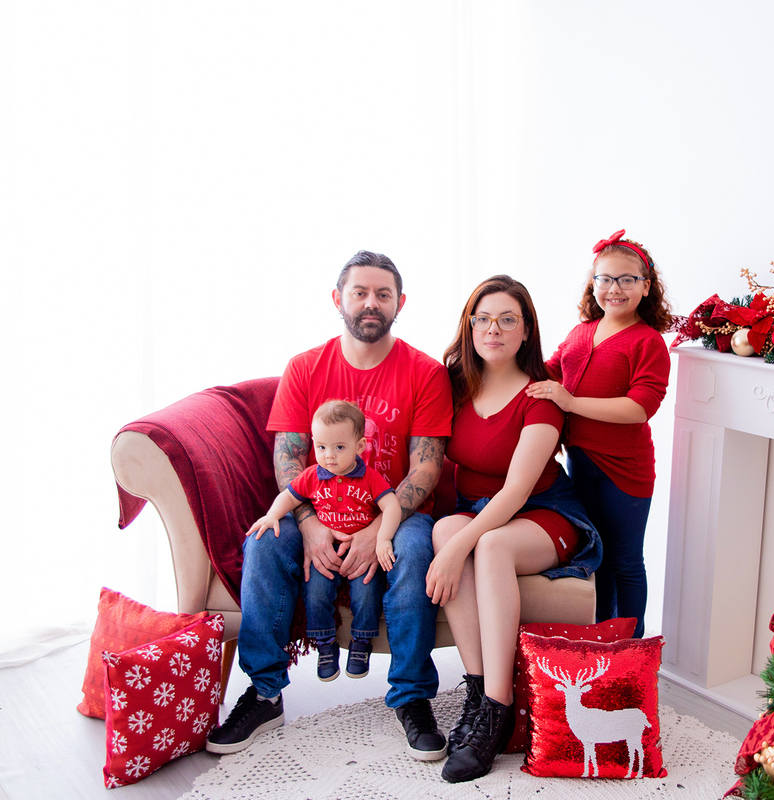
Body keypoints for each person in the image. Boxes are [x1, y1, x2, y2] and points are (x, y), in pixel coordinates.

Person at [207, 251, 454, 762]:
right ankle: (265, 692)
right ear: (338, 299)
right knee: (263, 543)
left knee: (413, 554)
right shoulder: (305, 368)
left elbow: (425, 470)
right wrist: (307, 523)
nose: (371, 303)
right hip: (316, 510)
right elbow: (289, 458)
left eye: (383, 294)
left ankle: (411, 696)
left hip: (397, 515)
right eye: (360, 292)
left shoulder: (426, 372)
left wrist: (378, 530)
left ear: (400, 303)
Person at [432, 275, 600, 783]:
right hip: (477, 507)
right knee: (444, 533)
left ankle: (497, 708)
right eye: (483, 318)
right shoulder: (456, 383)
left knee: (489, 545)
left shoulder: (540, 394)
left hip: (543, 510)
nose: (494, 329)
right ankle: (478, 688)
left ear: (526, 330)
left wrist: (458, 547)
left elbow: (515, 491)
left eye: (508, 320)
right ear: (470, 325)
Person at [526, 230, 671, 639]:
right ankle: (601, 637)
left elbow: (639, 407)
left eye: (627, 279)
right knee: (597, 555)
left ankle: (632, 647)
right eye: (605, 279)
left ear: (646, 286)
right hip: (581, 462)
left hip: (624, 470)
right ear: (593, 284)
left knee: (625, 560)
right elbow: (549, 371)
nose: (615, 289)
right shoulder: (581, 332)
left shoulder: (648, 342)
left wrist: (570, 402)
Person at [246, 400, 399, 683]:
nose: (329, 456)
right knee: (315, 591)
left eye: (339, 447)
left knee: (367, 591)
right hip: (325, 550)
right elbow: (288, 497)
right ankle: (325, 643)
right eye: (321, 447)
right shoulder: (312, 476)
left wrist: (383, 538)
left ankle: (362, 641)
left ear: (359, 446)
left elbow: (392, 506)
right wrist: (272, 516)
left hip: (358, 550)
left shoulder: (370, 478)